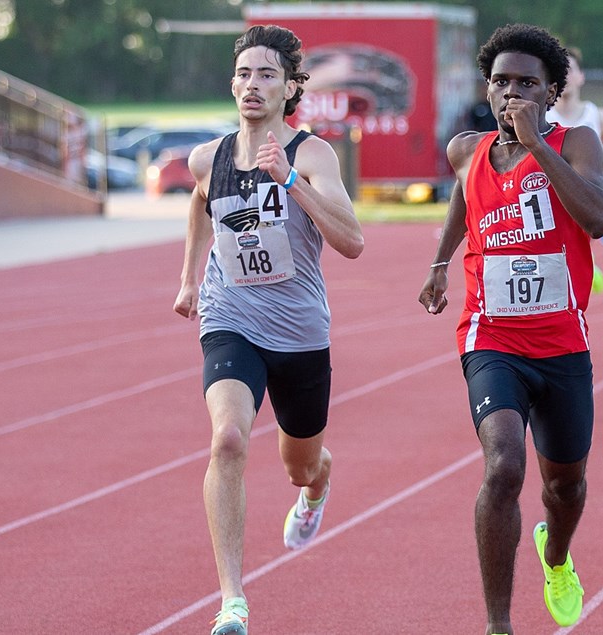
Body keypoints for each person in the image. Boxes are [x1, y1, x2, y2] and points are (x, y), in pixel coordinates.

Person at [418, 23, 603, 635]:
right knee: (504, 465)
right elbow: (464, 196)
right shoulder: (466, 149)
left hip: (562, 343)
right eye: (501, 82)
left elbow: (600, 218)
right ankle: (498, 624)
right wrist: (440, 262)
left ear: (551, 92)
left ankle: (556, 556)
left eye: (527, 84)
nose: (511, 93)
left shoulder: (577, 143)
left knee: (566, 488)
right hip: (491, 337)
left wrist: (537, 146)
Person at [172, 24, 364, 635]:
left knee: (299, 465)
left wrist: (289, 181)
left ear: (290, 88)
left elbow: (352, 241)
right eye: (244, 73)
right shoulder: (208, 158)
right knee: (228, 439)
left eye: (267, 75)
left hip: (300, 332)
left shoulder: (312, 155)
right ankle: (232, 601)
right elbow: (199, 202)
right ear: (233, 84)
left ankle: (316, 487)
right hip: (231, 316)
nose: (252, 85)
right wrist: (189, 279)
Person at [546, 47, 603, 219]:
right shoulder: (541, 116)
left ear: (581, 76)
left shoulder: (597, 116)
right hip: (552, 203)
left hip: (590, 201)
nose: (564, 75)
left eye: (570, 70)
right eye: (559, 70)